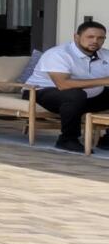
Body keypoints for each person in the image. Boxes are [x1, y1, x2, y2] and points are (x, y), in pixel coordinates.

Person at [24, 19, 109, 152]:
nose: (95, 41)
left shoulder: (106, 55)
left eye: (100, 38)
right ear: (76, 37)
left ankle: (107, 140)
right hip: (41, 93)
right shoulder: (59, 54)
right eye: (90, 37)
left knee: (78, 95)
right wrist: (103, 81)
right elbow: (63, 85)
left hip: (87, 97)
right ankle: (67, 140)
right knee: (74, 94)